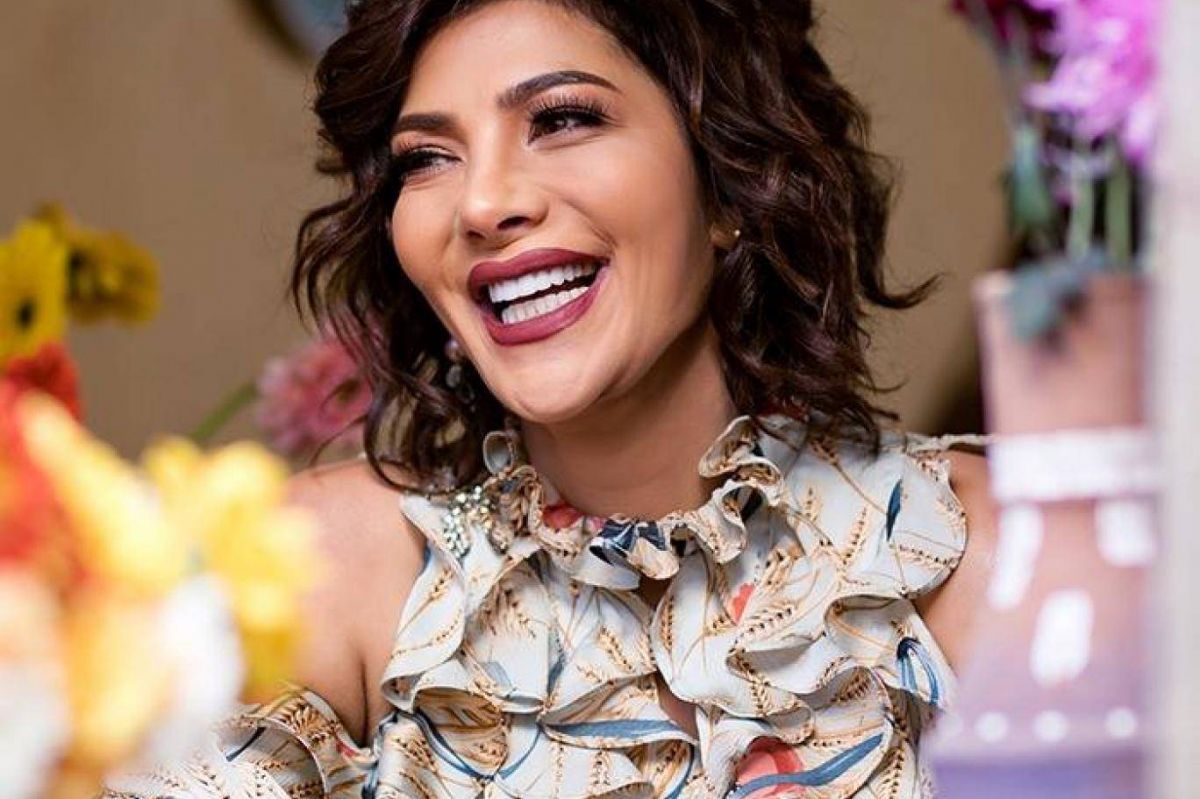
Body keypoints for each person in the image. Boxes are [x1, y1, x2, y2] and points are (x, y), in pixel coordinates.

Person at [104, 0, 996, 796]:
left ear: (729, 178)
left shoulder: (957, 551)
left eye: (562, 118)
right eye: (428, 157)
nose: (482, 203)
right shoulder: (322, 568)